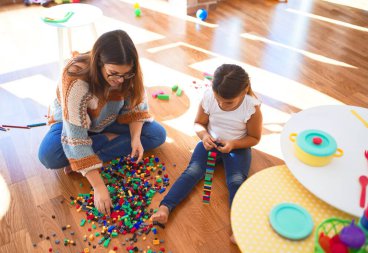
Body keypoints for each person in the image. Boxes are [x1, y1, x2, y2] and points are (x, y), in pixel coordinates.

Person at [38, 30, 166, 215]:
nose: (119, 81)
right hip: (72, 122)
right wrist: (99, 187)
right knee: (49, 156)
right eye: (113, 74)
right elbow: (74, 135)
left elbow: (136, 109)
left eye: (126, 74)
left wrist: (136, 138)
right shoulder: (75, 78)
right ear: (98, 63)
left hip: (109, 119)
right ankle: (95, 149)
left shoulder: (128, 73)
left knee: (156, 134)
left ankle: (86, 157)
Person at [151, 64, 263, 241]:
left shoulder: (252, 108)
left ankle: (239, 227)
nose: (221, 104)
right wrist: (204, 135)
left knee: (236, 181)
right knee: (192, 172)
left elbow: (254, 138)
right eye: (219, 100)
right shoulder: (210, 97)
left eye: (228, 102)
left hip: (237, 146)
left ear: (245, 91)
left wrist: (233, 144)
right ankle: (165, 207)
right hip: (210, 142)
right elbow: (199, 123)